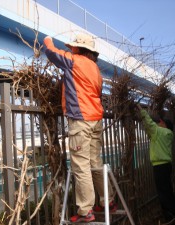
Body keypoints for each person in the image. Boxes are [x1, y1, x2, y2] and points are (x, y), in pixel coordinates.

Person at [43, 33, 116, 223]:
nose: (70, 48)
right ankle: (107, 200)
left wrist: (47, 40)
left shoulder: (74, 61)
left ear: (79, 48)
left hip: (80, 119)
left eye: (73, 46)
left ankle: (85, 210)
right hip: (96, 119)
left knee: (81, 166)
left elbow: (51, 53)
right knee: (95, 162)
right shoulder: (96, 70)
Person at [136, 104, 175, 224]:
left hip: (160, 167)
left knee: (163, 193)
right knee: (168, 191)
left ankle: (169, 218)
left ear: (164, 125)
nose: (158, 124)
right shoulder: (168, 134)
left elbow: (150, 124)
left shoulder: (160, 132)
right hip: (166, 165)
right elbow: (150, 129)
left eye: (160, 123)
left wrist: (142, 111)